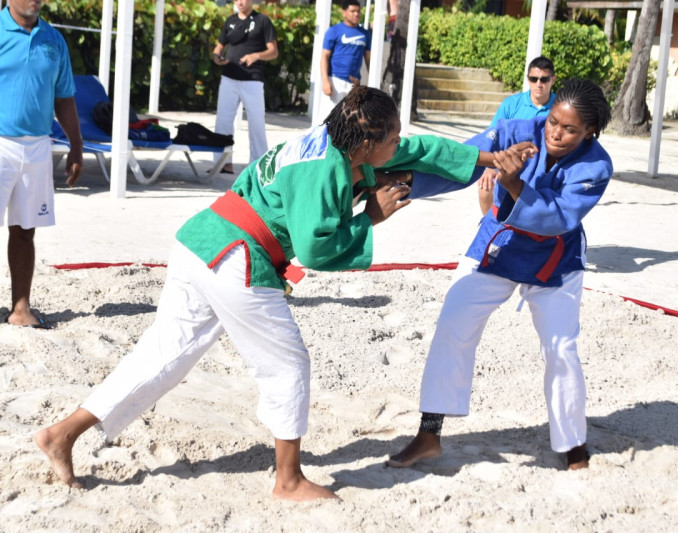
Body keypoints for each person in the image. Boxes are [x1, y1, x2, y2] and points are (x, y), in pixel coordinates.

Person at [34, 87, 511, 502]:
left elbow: (416, 148)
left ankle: (62, 435)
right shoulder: (324, 170)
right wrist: (372, 217)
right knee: (288, 365)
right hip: (238, 257)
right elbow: (315, 250)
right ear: (366, 142)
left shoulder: (330, 139)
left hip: (200, 241)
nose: (397, 145)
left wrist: (486, 159)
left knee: (163, 355)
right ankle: (288, 480)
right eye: (390, 139)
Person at [385, 79, 613, 471]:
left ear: (589, 131)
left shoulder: (597, 166)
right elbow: (461, 161)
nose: (556, 133)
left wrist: (511, 181)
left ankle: (573, 444)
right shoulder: (515, 130)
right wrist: (406, 182)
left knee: (560, 349)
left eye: (570, 129)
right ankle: (429, 434)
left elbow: (558, 217)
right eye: (553, 122)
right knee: (453, 320)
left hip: (555, 258)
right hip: (499, 242)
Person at [0, 0, 83, 328]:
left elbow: (63, 96)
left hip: (37, 147)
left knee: (24, 231)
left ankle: (20, 310)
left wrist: (76, 146)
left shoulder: (54, 40)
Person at [478, 56, 558, 215]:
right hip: (510, 161)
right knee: (485, 185)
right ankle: (492, 230)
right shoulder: (511, 104)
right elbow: (494, 136)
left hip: (544, 165)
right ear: (528, 79)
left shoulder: (560, 106)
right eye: (534, 79)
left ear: (553, 80)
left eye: (544, 79)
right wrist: (490, 167)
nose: (538, 84)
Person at [212, 0, 278, 174]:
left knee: (256, 122)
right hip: (229, 77)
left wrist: (256, 55)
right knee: (223, 121)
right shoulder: (230, 21)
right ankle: (223, 163)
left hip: (253, 79)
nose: (240, 2)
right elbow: (219, 46)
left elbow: (273, 51)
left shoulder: (263, 21)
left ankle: (258, 166)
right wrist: (217, 57)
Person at [318, 0, 371, 123]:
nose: (356, 14)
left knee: (349, 120)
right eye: (352, 11)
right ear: (344, 12)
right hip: (335, 80)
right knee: (327, 119)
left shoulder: (365, 34)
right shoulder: (334, 31)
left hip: (354, 84)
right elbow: (324, 56)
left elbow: (368, 59)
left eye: (358, 11)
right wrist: (325, 81)